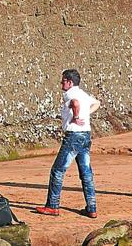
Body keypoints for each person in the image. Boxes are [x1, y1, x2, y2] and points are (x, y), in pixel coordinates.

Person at [36, 69, 100, 218]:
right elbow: (97, 103)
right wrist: (85, 114)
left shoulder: (70, 94)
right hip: (86, 134)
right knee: (86, 173)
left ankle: (52, 206)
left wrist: (77, 116)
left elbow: (75, 103)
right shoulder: (83, 93)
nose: (61, 83)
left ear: (70, 82)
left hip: (73, 135)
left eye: (63, 80)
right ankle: (92, 208)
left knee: (58, 170)